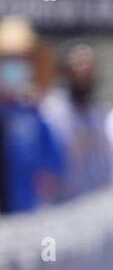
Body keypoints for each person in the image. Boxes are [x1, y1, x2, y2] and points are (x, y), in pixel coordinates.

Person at [0, 16, 64, 215]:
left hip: (24, 218)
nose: (15, 66)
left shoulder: (33, 116)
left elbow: (52, 171)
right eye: (8, 59)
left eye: (21, 59)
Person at [40, 43, 113, 202]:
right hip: (61, 206)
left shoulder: (98, 113)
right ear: (66, 72)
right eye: (78, 66)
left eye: (89, 68)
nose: (84, 72)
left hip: (96, 205)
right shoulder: (51, 111)